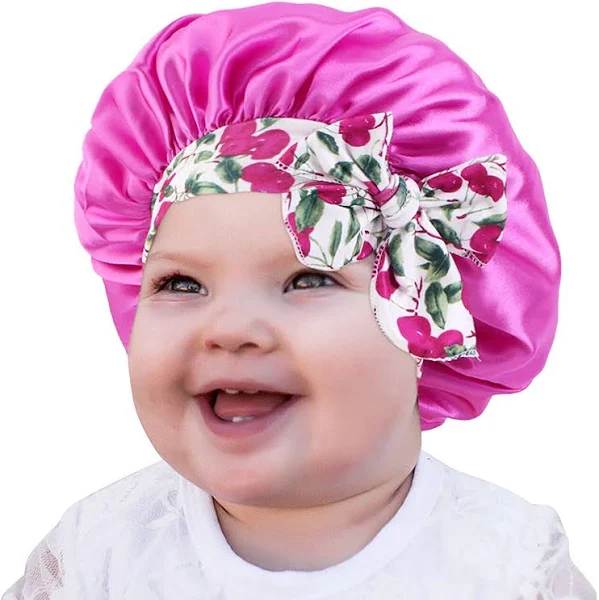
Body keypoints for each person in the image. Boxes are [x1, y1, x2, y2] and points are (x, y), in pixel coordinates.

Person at [2, 3, 596, 599]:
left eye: (308, 279)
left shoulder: (508, 567)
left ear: (427, 322)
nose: (230, 327)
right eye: (181, 284)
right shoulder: (98, 557)